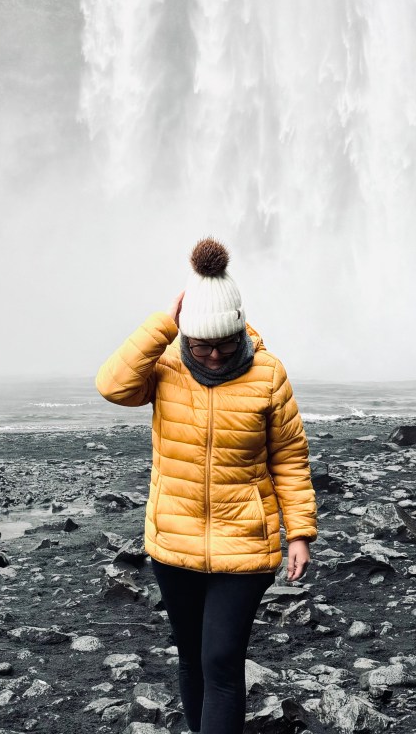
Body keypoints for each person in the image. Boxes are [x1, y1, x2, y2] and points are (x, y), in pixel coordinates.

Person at [95, 237, 318, 734]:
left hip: (246, 544)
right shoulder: (167, 365)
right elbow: (112, 386)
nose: (213, 356)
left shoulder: (268, 374)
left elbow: (289, 456)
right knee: (192, 657)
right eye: (201, 344)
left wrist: (299, 533)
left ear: (239, 329)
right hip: (175, 542)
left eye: (223, 344)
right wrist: (163, 324)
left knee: (220, 661)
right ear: (186, 335)